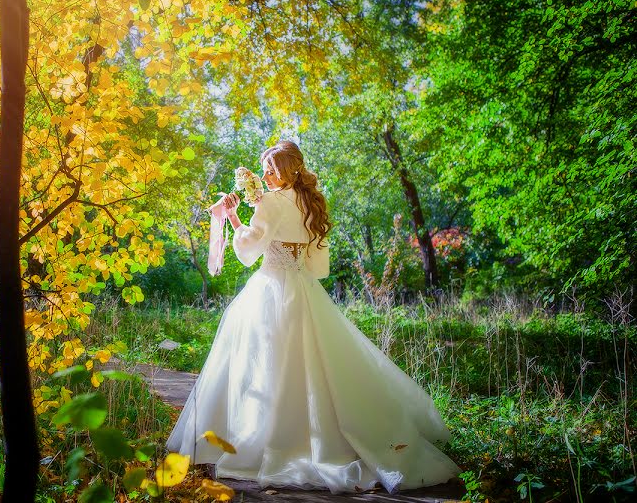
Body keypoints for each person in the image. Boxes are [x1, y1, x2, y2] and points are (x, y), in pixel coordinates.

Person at [165, 140, 461, 494]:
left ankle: (268, 439)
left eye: (270, 170)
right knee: (315, 367)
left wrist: (232, 217)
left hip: (271, 288)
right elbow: (319, 267)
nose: (264, 175)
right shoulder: (312, 202)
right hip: (304, 289)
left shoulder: (272, 202)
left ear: (287, 170)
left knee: (266, 365)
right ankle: (324, 436)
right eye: (264, 170)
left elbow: (248, 250)